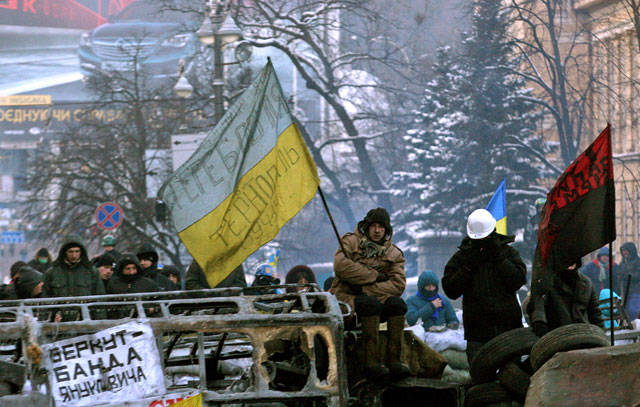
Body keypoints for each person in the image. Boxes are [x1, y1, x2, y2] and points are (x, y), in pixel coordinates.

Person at [331, 207, 411, 381]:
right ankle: (371, 364)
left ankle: (395, 361)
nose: (377, 230)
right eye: (373, 226)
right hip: (346, 298)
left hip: (373, 298)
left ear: (387, 230)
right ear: (366, 227)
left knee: (397, 304)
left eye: (381, 227)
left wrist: (366, 289)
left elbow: (397, 284)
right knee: (370, 304)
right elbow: (341, 267)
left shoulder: (394, 253)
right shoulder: (350, 242)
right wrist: (374, 276)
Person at [442, 209, 526, 364]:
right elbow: (451, 289)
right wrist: (468, 267)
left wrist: (499, 258)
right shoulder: (462, 258)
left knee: (514, 376)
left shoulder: (508, 253)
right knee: (481, 380)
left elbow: (517, 280)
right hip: (478, 333)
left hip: (508, 328)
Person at [527, 260, 604, 337]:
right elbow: (538, 304)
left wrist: (601, 333)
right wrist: (539, 322)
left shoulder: (586, 283)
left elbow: (595, 313)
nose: (570, 265)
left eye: (573, 261)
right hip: (557, 335)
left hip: (582, 333)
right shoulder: (548, 282)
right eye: (566, 261)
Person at [619, 242, 640, 319]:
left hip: (636, 291)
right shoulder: (623, 263)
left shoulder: (638, 262)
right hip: (625, 292)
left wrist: (627, 275)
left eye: (626, 250)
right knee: (626, 312)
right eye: (623, 251)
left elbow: (638, 276)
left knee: (633, 311)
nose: (624, 253)